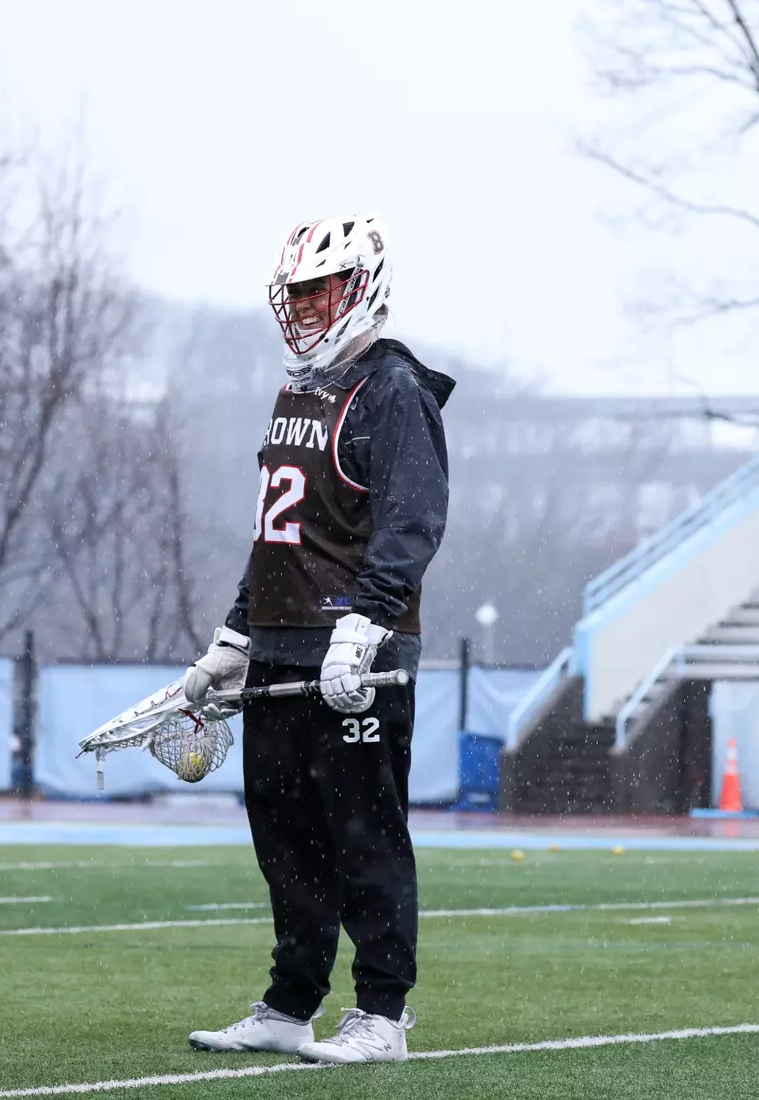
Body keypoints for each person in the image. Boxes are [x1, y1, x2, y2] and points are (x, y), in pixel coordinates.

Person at [183, 216, 453, 1065]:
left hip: (354, 653)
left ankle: (382, 1014)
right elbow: (278, 532)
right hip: (281, 647)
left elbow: (411, 521)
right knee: (286, 840)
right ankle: (290, 1002)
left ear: (360, 286)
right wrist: (236, 631)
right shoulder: (298, 388)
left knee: (365, 835)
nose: (302, 307)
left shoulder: (393, 390)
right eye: (294, 292)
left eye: (318, 289)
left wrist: (365, 623)